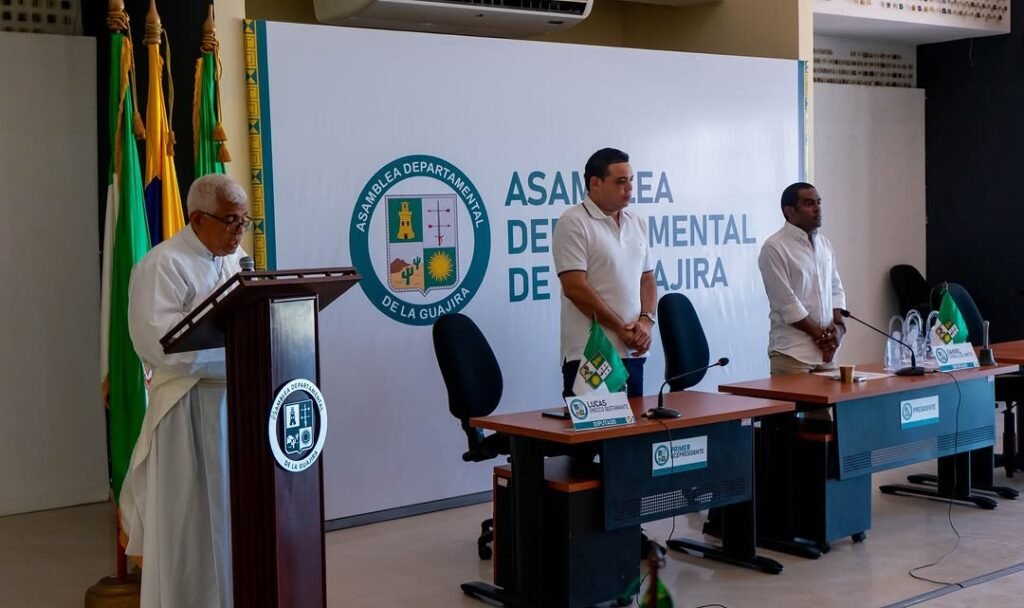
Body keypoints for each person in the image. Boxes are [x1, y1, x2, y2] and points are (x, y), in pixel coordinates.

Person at [120, 174, 252, 607]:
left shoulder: (236, 261)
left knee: (233, 523)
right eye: (231, 221)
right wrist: (238, 356)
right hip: (185, 409)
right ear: (197, 218)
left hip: (235, 407)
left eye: (243, 222)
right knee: (189, 529)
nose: (238, 232)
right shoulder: (162, 265)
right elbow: (158, 345)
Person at [553, 147, 656, 397]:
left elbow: (647, 279)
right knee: (598, 435)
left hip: (632, 350)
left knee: (631, 434)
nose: (630, 188)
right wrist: (620, 327)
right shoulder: (574, 221)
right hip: (592, 352)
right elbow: (575, 288)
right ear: (595, 183)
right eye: (621, 182)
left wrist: (646, 321)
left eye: (631, 180)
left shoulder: (637, 221)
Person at [758, 182, 847, 376]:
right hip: (793, 354)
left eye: (819, 202)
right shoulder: (775, 247)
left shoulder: (824, 244)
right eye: (809, 204)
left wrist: (838, 329)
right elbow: (785, 302)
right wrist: (821, 337)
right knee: (791, 407)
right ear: (789, 211)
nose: (817, 209)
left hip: (826, 353)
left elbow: (835, 289)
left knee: (826, 408)